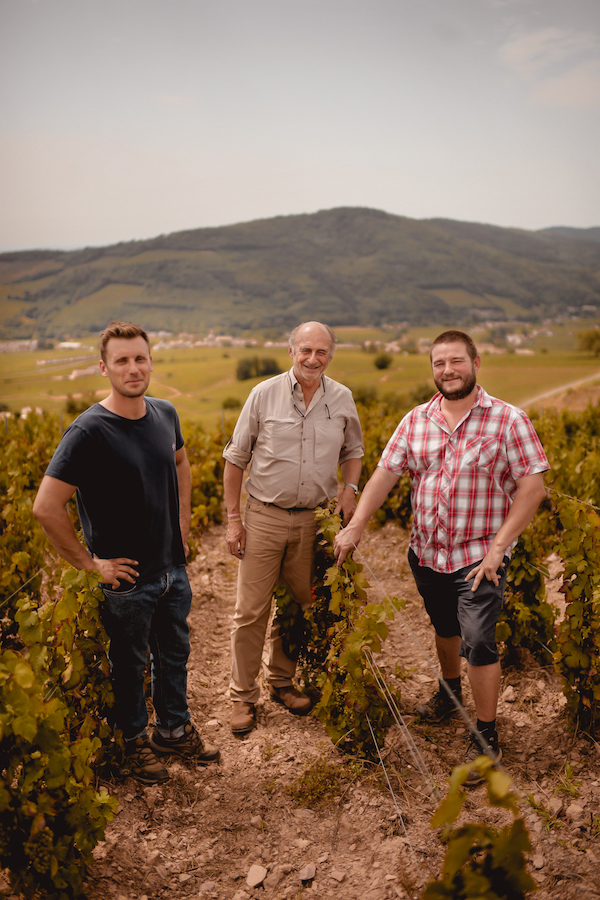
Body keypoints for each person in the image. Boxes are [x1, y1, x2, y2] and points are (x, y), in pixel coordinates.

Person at [333, 329, 548, 783]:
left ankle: (486, 735)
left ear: (475, 363)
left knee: (479, 640)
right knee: (444, 628)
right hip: (427, 553)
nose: (448, 370)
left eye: (456, 361)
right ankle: (450, 694)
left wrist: (498, 549)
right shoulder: (416, 420)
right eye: (439, 363)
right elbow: (384, 475)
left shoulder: (509, 420)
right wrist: (356, 525)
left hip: (480, 557)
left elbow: (532, 489)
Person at [33, 320, 219, 785]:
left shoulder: (165, 413)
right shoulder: (88, 431)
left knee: (174, 655)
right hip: (127, 581)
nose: (133, 368)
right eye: (122, 361)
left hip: (172, 569)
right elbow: (46, 507)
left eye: (140, 358)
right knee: (130, 666)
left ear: (150, 362)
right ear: (104, 368)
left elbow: (181, 463)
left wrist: (182, 525)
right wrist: (89, 565)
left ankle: (173, 731)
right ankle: (133, 743)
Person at [223, 321, 364, 735]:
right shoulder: (263, 394)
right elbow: (235, 459)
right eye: (305, 350)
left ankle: (281, 682)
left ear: (330, 355)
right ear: (291, 352)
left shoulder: (342, 398)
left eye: (321, 352)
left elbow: (353, 451)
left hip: (314, 520)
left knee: (300, 605)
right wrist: (233, 519)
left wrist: (350, 489)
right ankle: (242, 696)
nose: (312, 359)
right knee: (251, 611)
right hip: (264, 517)